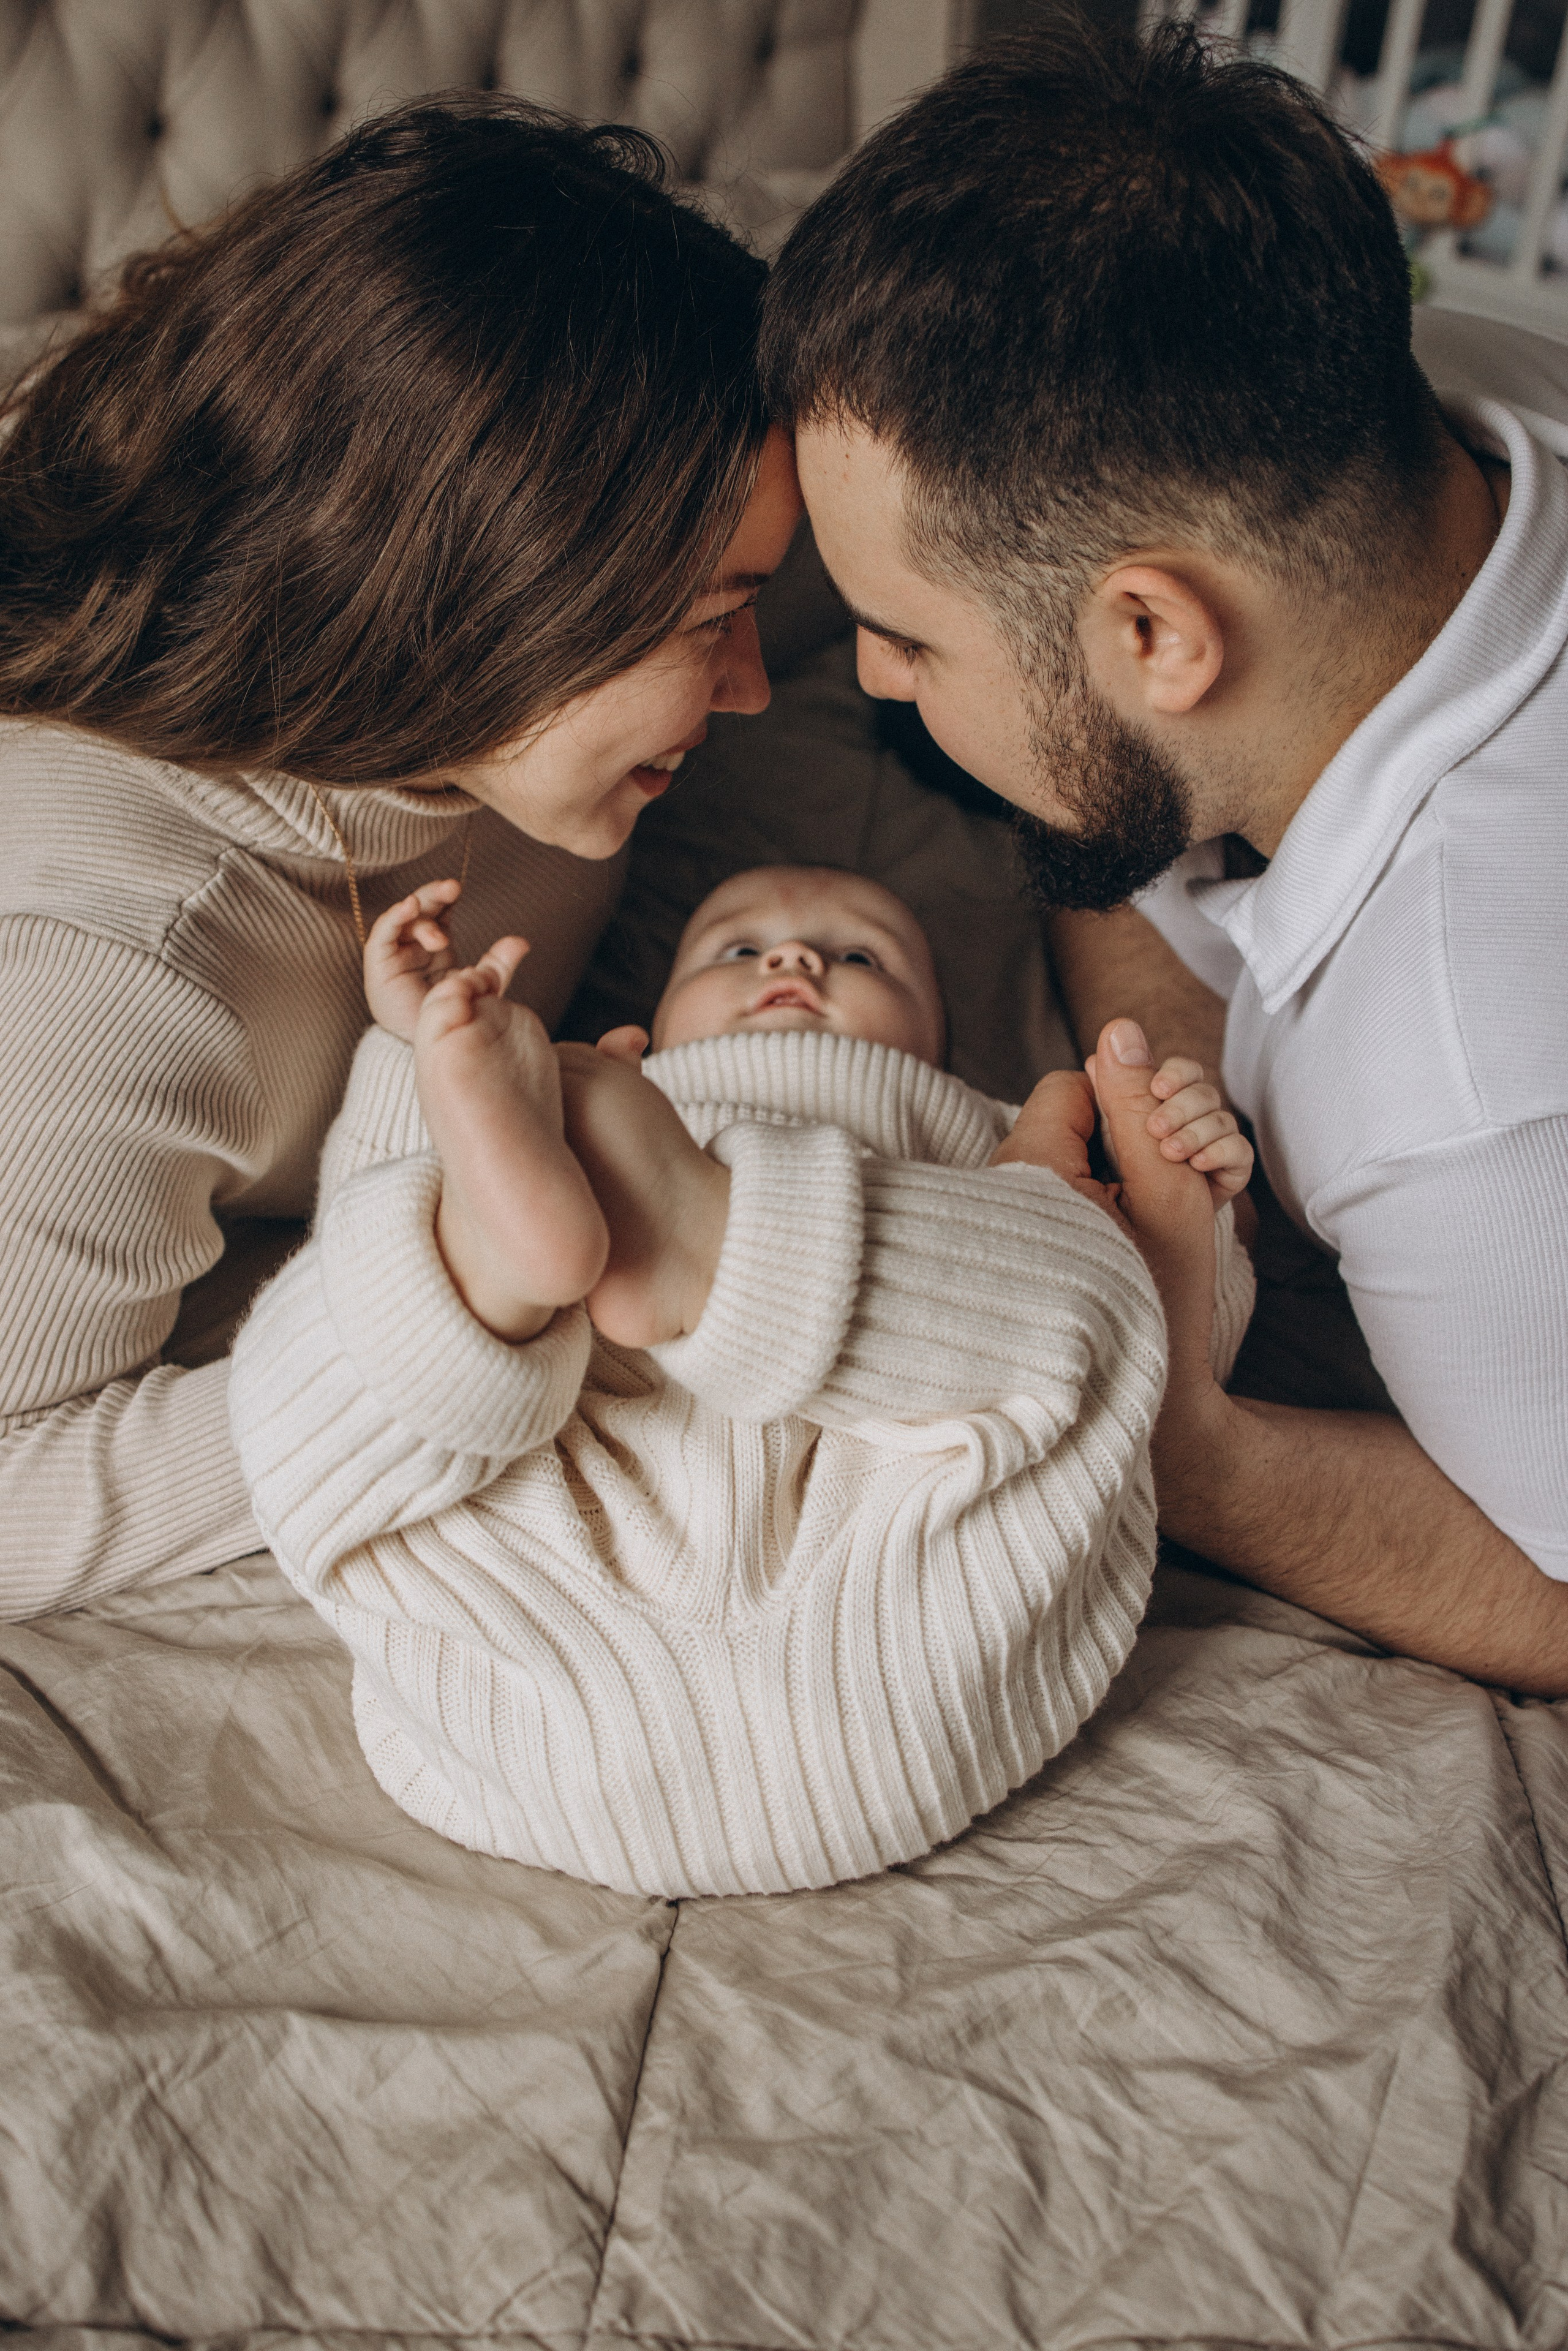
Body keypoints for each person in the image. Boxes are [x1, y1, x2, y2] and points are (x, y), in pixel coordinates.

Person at [758, 22, 1568, 1693]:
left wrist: (1178, 1434)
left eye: (908, 634)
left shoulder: (1456, 1082)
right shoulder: (1471, 396)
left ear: (1154, 629)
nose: (868, 680)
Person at [0, 95, 801, 1620]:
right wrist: (469, 1320)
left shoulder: (524, 687)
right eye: (714, 625)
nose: (754, 687)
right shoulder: (108, 964)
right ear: (485, 598)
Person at [227, 864, 1254, 1897]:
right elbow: (365, 1213)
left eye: (862, 956)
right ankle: (506, 1260)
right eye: (733, 948)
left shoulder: (969, 1123)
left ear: (939, 1038)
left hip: (892, 1584)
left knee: (1091, 1278)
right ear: (658, 1026)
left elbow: (1176, 1356)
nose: (794, 958)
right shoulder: (578, 1089)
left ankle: (611, 1243)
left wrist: (1178, 1193)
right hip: (561, 1597)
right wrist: (428, 1053)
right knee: (326, 1343)